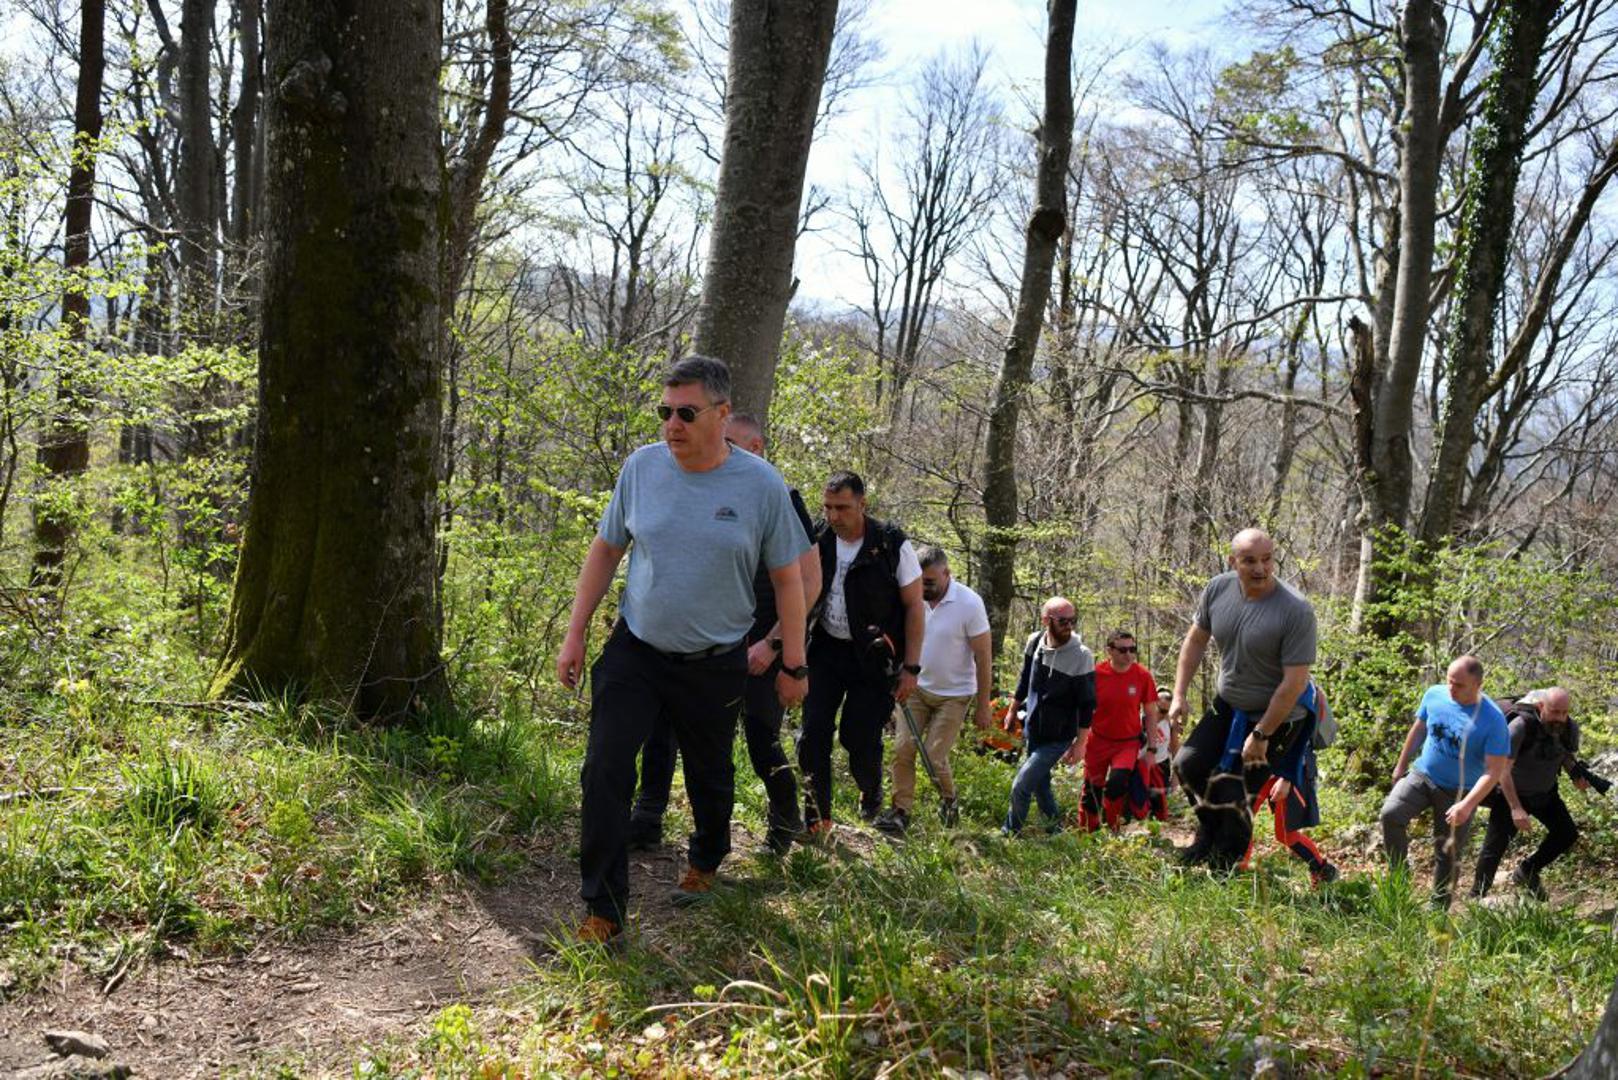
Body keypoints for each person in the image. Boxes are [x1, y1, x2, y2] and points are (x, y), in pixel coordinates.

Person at [555, 357, 811, 944]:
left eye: (686, 413)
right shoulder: (641, 469)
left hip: (715, 660)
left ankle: (706, 858)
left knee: (710, 777)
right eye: (665, 411)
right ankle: (604, 908)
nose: (672, 424)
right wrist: (575, 632)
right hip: (636, 649)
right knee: (604, 770)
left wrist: (792, 660)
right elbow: (605, 551)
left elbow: (790, 580)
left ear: (721, 415)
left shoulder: (760, 486)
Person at [625, 413, 823, 856]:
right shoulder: (695, 485)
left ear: (756, 449)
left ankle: (784, 819)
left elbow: (809, 583)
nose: (718, 447)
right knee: (664, 725)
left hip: (760, 642)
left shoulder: (779, 496)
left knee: (759, 736)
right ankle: (648, 816)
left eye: (730, 441)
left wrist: (774, 646)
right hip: (702, 641)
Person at [1168, 528, 1319, 870]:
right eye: (1250, 561)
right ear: (1232, 561)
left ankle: (1223, 871)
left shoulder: (1295, 611)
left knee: (1234, 795)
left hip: (1278, 716)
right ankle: (1209, 834)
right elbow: (1195, 642)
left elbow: (1294, 683)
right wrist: (1178, 694)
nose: (1261, 569)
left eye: (1267, 559)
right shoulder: (1218, 590)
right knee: (1188, 764)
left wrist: (1262, 734)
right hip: (1230, 704)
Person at [798, 472, 926, 834]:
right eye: (828, 507)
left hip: (873, 657)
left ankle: (870, 790)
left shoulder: (889, 543)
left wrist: (911, 668)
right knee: (812, 734)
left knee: (858, 737)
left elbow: (915, 606)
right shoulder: (818, 537)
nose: (834, 516)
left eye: (842, 508)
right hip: (825, 650)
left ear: (862, 504)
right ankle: (816, 817)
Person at [873, 545, 993, 835]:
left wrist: (983, 703)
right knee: (903, 748)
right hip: (915, 688)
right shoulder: (910, 598)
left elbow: (983, 655)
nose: (923, 587)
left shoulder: (969, 603)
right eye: (919, 579)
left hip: (954, 695)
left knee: (934, 754)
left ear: (946, 573)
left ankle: (949, 801)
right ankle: (901, 811)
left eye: (929, 581)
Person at [1378, 655, 1511, 908]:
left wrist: (1467, 805)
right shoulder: (1435, 695)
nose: (1452, 688)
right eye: (1450, 681)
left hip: (1460, 792)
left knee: (1447, 852)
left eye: (1459, 685)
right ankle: (1399, 878)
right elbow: (1419, 729)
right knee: (1390, 814)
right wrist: (1400, 766)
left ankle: (1438, 909)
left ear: (1478, 684)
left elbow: (1494, 771)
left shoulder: (1493, 720)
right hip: (1422, 775)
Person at [1471, 687, 1585, 901]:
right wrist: (1516, 808)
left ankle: (1528, 870)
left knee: (1566, 833)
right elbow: (1502, 771)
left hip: (1546, 794)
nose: (1560, 717)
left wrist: (1575, 775)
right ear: (1541, 707)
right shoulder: (1520, 727)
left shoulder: (1568, 728)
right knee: (1493, 849)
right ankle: (1476, 896)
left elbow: (1564, 755)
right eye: (1554, 711)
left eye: (1564, 712)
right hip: (1512, 794)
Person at [1003, 597, 1096, 836]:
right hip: (1033, 729)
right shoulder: (1034, 643)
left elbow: (1087, 705)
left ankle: (1010, 833)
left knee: (1022, 785)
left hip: (1060, 736)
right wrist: (1012, 711)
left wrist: (1081, 743)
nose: (1069, 625)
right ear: (1046, 620)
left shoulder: (1082, 656)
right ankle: (1055, 830)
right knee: (1041, 785)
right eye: (1063, 620)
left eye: (1073, 620)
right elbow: (1025, 681)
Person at [1239, 681, 1340, 886]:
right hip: (1263, 765)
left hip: (1292, 770)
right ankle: (1238, 874)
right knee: (1242, 820)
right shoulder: (1264, 677)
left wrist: (1287, 779)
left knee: (1286, 833)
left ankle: (1322, 870)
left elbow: (1302, 737)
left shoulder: (1299, 685)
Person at [1070, 629, 1159, 832]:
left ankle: (1113, 827)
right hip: (1098, 740)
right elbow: (1082, 709)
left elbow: (1151, 713)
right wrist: (1077, 741)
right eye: (1122, 650)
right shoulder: (1096, 674)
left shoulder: (1142, 676)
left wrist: (1152, 749)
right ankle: (1088, 832)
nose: (1128, 654)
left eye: (1132, 649)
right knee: (1092, 789)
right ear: (1109, 650)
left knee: (1117, 784)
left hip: (1127, 742)